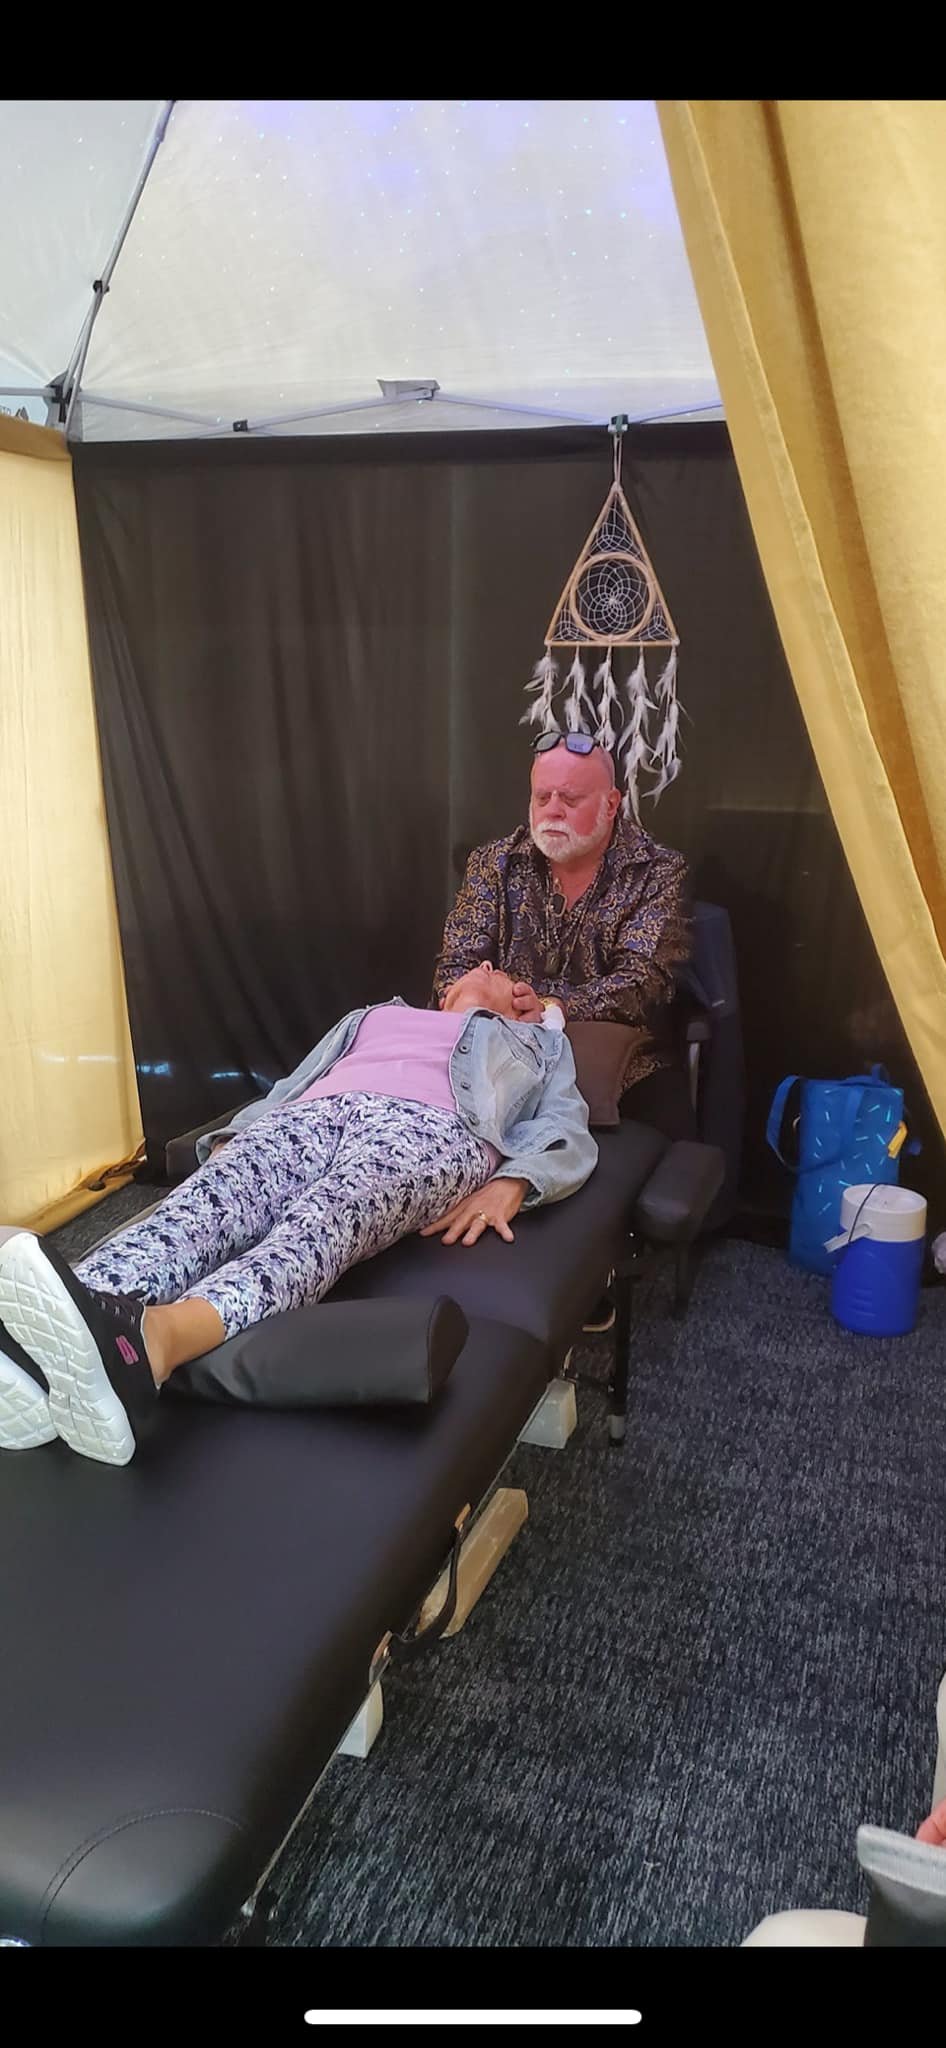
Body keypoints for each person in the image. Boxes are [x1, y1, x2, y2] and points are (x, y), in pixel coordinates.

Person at [0, 967, 595, 1470]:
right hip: (312, 1115)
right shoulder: (372, 1016)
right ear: (445, 988)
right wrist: (237, 1136)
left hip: (433, 1129)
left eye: (511, 977)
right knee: (206, 1203)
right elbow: (294, 1084)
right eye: (484, 966)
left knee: (323, 1222)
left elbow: (568, 1124)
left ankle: (148, 1347)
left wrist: (516, 1182)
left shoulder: (538, 1044)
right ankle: (46, 1327)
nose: (494, 972)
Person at [433, 729, 691, 1327]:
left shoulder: (658, 872)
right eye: (542, 796)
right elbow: (453, 968)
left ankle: (579, 1270)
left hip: (616, 1061)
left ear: (612, 803)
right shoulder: (494, 863)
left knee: (584, 1136)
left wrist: (549, 1004)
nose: (552, 811)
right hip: (501, 1049)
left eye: (570, 799)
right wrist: (495, 1008)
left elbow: (644, 983)